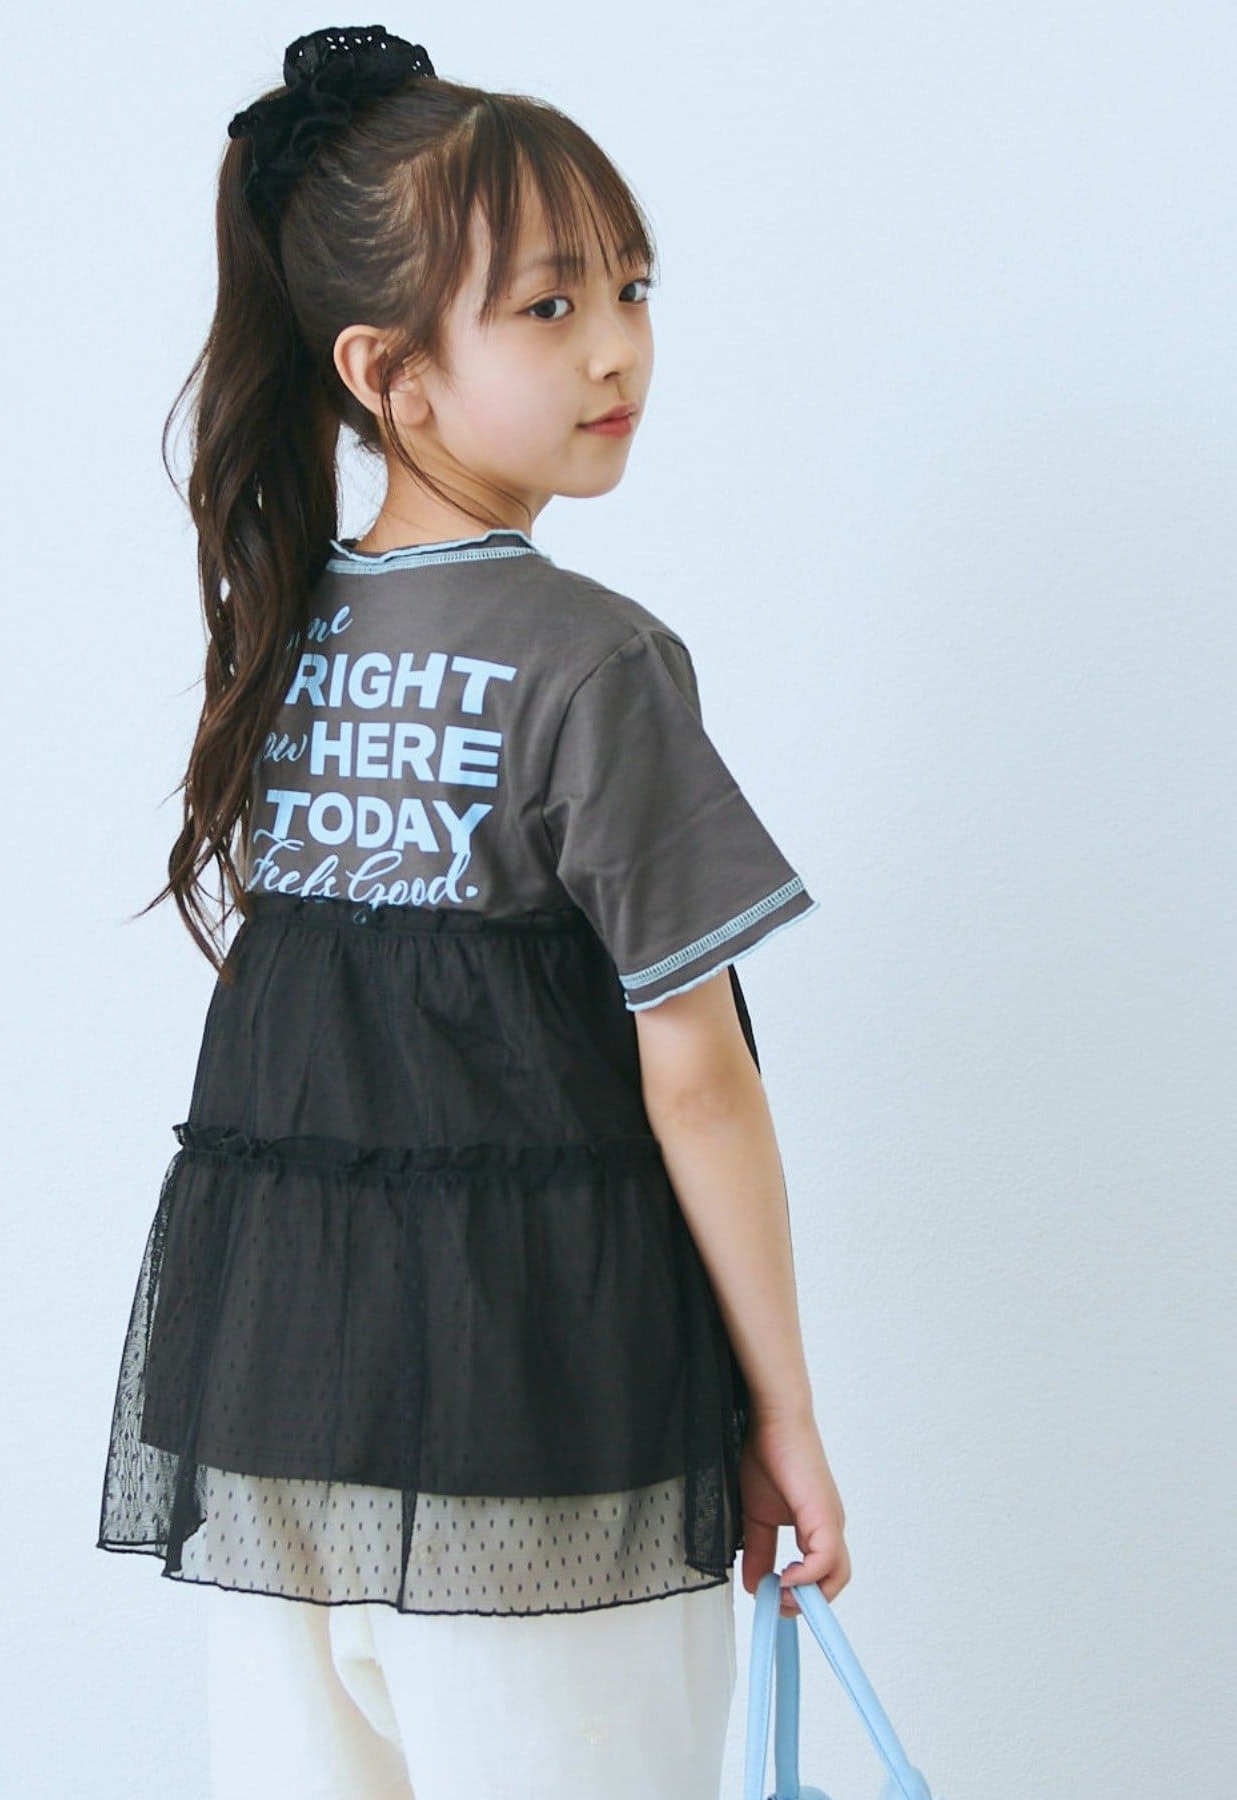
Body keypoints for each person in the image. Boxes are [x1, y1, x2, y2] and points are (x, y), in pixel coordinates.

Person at [96, 23, 851, 1798]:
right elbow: (698, 1079)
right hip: (546, 1436)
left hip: (281, 1422)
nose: (617, 347)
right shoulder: (595, 662)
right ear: (391, 374)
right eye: (547, 305)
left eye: (632, 287)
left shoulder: (279, 644)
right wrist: (784, 1417)